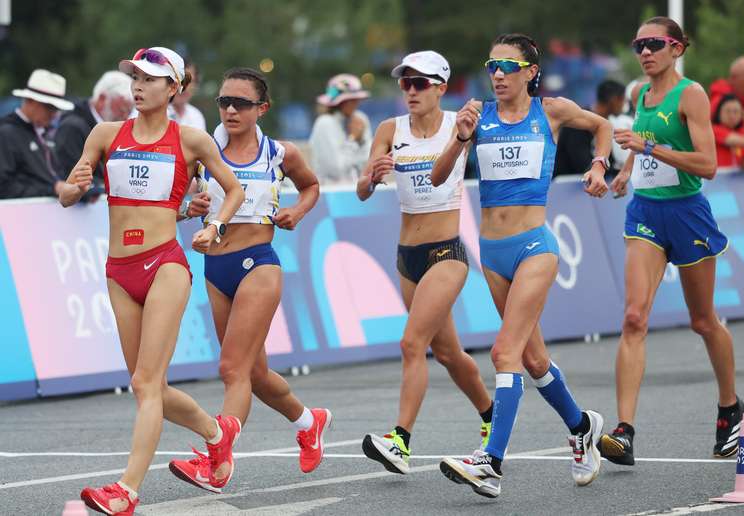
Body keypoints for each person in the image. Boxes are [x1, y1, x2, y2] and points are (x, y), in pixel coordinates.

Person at [59, 47, 244, 515]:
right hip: (119, 271)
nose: (138, 86)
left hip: (165, 264)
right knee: (149, 388)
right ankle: (217, 434)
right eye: (135, 77)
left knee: (145, 381)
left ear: (174, 88)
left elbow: (234, 189)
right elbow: (66, 195)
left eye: (150, 79)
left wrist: (215, 226)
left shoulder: (192, 140)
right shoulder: (104, 134)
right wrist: (75, 186)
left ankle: (127, 490)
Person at [432, 33, 609, 498]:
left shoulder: (551, 111)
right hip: (492, 252)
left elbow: (602, 126)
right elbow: (438, 176)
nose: (497, 74)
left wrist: (599, 165)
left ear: (530, 72)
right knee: (532, 360)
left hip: (535, 247)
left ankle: (491, 461)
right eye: (492, 65)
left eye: (508, 66)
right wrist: (460, 137)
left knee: (503, 353)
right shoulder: (477, 115)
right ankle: (582, 426)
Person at [168, 67, 332, 489]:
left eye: (241, 103)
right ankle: (308, 421)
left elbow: (311, 186)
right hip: (215, 268)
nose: (230, 110)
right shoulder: (202, 150)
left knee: (231, 368)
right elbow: (175, 206)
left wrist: (297, 212)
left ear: (262, 108)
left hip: (258, 263)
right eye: (224, 102)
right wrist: (189, 208)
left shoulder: (279, 153)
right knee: (254, 374)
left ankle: (217, 464)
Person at [600, 17, 744, 467]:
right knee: (633, 318)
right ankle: (624, 431)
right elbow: (641, 142)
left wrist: (647, 150)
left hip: (687, 213)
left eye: (654, 44)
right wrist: (627, 171)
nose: (645, 52)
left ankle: (729, 406)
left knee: (702, 321)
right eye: (639, 45)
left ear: (677, 48)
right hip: (645, 214)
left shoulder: (692, 95)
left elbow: (707, 165)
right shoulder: (640, 95)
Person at [355, 51, 493, 475]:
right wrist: (371, 177)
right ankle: (493, 415)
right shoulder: (389, 129)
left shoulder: (460, 124)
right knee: (448, 353)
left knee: (411, 343)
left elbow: (481, 157)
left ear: (441, 88)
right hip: (407, 256)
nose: (411, 91)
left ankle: (400, 441)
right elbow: (362, 190)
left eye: (420, 83)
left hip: (446, 252)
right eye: (405, 83)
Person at [55, 71, 134, 202]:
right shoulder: (72, 128)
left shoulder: (109, 129)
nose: (125, 117)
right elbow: (72, 178)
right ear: (102, 99)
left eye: (129, 112)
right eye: (122, 110)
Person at [0, 69, 73, 199]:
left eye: (56, 109)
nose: (54, 114)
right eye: (49, 107)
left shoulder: (43, 133)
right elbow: (4, 187)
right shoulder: (6, 133)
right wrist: (53, 189)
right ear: (30, 101)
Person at [554, 79, 629, 179]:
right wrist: (617, 171)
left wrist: (622, 171)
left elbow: (607, 160)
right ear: (614, 100)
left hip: (588, 180)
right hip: (566, 182)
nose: (624, 104)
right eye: (622, 99)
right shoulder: (579, 122)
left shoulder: (607, 124)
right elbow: (582, 165)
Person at [309, 73, 372, 184]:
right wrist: (353, 139)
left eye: (357, 99)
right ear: (338, 103)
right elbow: (337, 170)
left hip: (357, 189)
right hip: (329, 192)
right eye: (351, 100)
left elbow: (369, 165)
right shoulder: (324, 123)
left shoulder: (361, 119)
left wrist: (361, 142)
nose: (356, 103)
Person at [713, 94, 744, 173]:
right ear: (719, 113)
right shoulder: (715, 130)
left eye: (736, 112)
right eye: (727, 111)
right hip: (718, 178)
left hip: (734, 179)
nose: (732, 116)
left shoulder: (740, 134)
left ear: (741, 115)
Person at [170, 62, 207, 131]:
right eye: (180, 80)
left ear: (196, 85)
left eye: (189, 81)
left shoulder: (196, 116)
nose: (183, 87)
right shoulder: (155, 113)